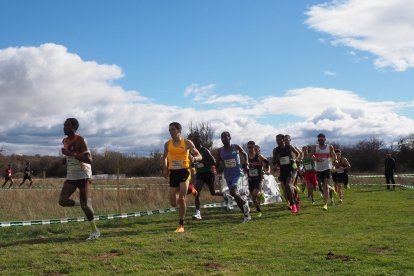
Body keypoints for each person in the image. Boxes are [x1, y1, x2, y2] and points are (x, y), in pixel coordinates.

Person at [58, 118, 100, 241]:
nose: (64, 128)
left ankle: (95, 231)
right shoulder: (64, 141)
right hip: (71, 175)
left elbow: (89, 160)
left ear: (73, 128)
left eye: (67, 125)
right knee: (62, 201)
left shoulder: (81, 140)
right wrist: (65, 160)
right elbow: (71, 155)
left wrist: (70, 154)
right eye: (64, 125)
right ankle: (84, 203)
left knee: (84, 206)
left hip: (83, 174)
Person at [162, 122, 202, 233]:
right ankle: (190, 189)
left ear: (179, 131)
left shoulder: (187, 142)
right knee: (173, 203)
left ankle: (181, 225)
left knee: (181, 198)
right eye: (169, 130)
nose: (171, 132)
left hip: (184, 171)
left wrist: (195, 158)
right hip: (173, 173)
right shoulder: (167, 144)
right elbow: (164, 157)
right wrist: (165, 168)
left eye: (173, 129)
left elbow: (199, 155)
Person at [216, 131, 251, 223]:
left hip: (237, 174)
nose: (223, 139)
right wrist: (217, 168)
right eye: (222, 138)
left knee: (233, 191)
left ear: (229, 137)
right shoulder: (220, 150)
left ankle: (244, 203)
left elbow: (245, 154)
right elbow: (217, 161)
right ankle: (246, 215)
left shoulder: (235, 147)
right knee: (234, 195)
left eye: (225, 137)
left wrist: (246, 163)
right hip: (228, 175)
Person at [190, 132, 223, 220]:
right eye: (194, 141)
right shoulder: (192, 152)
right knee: (196, 192)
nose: (195, 143)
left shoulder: (205, 150)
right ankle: (198, 213)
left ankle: (227, 195)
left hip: (208, 173)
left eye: (197, 141)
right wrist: (192, 165)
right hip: (200, 174)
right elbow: (193, 163)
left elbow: (213, 161)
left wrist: (203, 162)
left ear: (200, 141)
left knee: (213, 192)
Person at [272, 134, 300, 214]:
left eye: (279, 140)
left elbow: (298, 154)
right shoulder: (275, 150)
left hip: (292, 169)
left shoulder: (289, 147)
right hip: (283, 171)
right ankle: (296, 199)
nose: (278, 142)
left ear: (283, 140)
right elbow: (274, 162)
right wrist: (276, 164)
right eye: (277, 140)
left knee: (288, 186)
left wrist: (294, 159)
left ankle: (293, 205)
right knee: (287, 188)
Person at [310, 133, 337, 211]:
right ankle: (332, 188)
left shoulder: (329, 147)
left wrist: (331, 161)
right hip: (318, 169)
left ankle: (325, 204)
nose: (320, 141)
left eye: (322, 139)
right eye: (319, 140)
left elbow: (334, 157)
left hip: (327, 168)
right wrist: (315, 159)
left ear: (325, 139)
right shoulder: (315, 147)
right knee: (320, 186)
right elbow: (310, 156)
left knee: (325, 186)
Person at [246, 141, 270, 217]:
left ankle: (259, 208)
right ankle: (258, 208)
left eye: (251, 147)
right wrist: (245, 168)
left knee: (254, 194)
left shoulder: (259, 156)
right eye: (248, 147)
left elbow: (267, 162)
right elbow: (244, 166)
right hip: (250, 178)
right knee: (253, 196)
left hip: (258, 178)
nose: (249, 149)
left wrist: (266, 170)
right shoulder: (246, 157)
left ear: (254, 147)